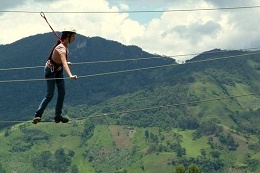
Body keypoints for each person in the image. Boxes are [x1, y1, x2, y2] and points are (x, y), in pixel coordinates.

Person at [33, 26, 77, 124]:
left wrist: (65, 63)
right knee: (50, 95)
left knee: (62, 93)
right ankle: (38, 115)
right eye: (73, 36)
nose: (74, 39)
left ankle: (58, 116)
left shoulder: (64, 46)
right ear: (68, 36)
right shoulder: (61, 48)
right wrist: (70, 75)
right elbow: (64, 62)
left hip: (58, 70)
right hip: (50, 70)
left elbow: (62, 61)